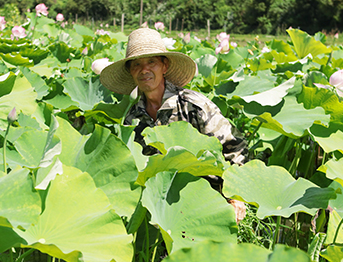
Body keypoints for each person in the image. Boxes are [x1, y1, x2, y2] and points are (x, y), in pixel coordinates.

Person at [98, 28, 248, 221]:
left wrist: (236, 198)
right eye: (136, 64)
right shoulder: (131, 120)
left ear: (164, 66)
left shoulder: (194, 106)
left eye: (151, 61)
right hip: (161, 209)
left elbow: (235, 148)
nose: (144, 70)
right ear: (130, 72)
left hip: (209, 204)